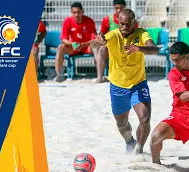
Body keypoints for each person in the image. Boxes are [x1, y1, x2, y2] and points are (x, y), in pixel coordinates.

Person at [91, 9, 159, 157]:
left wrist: (139, 48)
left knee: (145, 118)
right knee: (122, 124)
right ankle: (130, 141)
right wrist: (98, 42)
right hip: (117, 86)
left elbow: (155, 49)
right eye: (121, 24)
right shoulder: (113, 34)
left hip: (138, 83)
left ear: (134, 23)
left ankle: (139, 151)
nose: (124, 27)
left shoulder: (141, 33)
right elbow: (94, 45)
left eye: (128, 24)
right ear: (118, 22)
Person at [92, 0, 138, 83]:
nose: (119, 10)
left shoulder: (132, 20)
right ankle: (100, 77)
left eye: (121, 8)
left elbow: (136, 35)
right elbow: (102, 34)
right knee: (101, 49)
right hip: (111, 47)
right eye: (117, 8)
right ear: (114, 8)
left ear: (124, 7)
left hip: (125, 47)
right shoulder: (107, 19)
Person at [54, 2, 97, 82]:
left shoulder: (89, 21)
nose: (76, 14)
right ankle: (59, 75)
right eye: (74, 12)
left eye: (78, 12)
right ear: (71, 12)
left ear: (82, 12)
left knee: (96, 47)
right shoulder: (67, 21)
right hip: (73, 48)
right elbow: (63, 39)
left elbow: (94, 39)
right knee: (60, 47)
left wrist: (82, 44)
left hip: (86, 47)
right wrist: (73, 44)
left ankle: (100, 75)